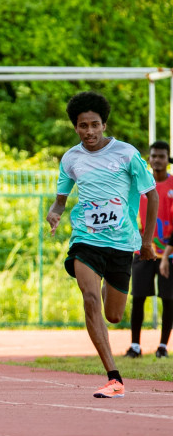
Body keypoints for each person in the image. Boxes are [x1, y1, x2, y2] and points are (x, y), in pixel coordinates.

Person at [47, 91, 158, 399]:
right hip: (86, 239)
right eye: (83, 126)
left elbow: (152, 196)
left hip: (122, 243)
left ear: (105, 124)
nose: (90, 132)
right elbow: (59, 202)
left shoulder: (126, 154)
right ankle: (114, 377)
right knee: (89, 298)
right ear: (75, 127)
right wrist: (54, 215)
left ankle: (110, 281)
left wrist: (146, 243)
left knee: (113, 316)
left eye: (95, 125)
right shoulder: (71, 159)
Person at [126, 140, 173, 358]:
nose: (156, 160)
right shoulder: (140, 185)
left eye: (161, 156)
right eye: (153, 156)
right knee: (138, 297)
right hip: (142, 251)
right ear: (149, 159)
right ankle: (135, 345)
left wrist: (166, 253)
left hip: (168, 254)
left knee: (169, 299)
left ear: (168, 159)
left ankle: (163, 346)